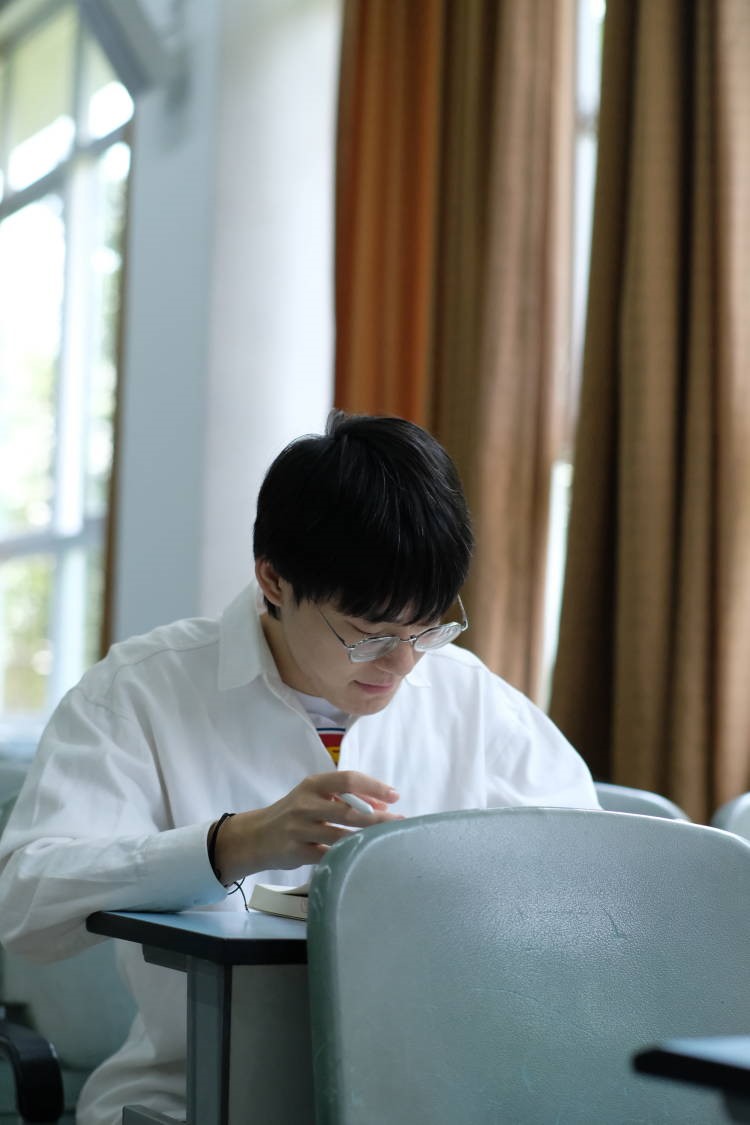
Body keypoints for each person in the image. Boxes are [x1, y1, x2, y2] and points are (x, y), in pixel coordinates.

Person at [0, 410, 598, 1125]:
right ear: (274, 580)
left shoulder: (471, 699)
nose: (404, 663)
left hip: (429, 1096)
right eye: (370, 634)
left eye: (428, 628)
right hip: (193, 1093)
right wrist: (229, 845)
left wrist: (457, 881)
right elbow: (26, 904)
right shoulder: (143, 689)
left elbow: (597, 889)